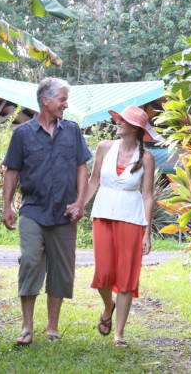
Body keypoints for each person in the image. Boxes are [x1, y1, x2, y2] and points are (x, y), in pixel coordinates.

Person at [1, 77, 92, 346]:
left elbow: (82, 167)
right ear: (46, 100)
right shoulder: (22, 134)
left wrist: (80, 202)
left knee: (62, 270)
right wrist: (7, 205)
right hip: (33, 210)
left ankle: (52, 327)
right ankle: (27, 327)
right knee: (30, 260)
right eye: (62, 99)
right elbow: (12, 171)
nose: (66, 104)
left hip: (65, 213)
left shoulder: (72, 131)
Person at [81, 105, 156, 348]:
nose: (118, 123)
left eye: (123, 121)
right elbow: (94, 181)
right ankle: (107, 306)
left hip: (132, 219)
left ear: (136, 129)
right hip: (102, 214)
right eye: (119, 119)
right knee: (102, 274)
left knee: (126, 276)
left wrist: (146, 231)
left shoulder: (146, 157)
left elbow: (147, 195)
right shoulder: (104, 147)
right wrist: (79, 205)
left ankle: (119, 334)